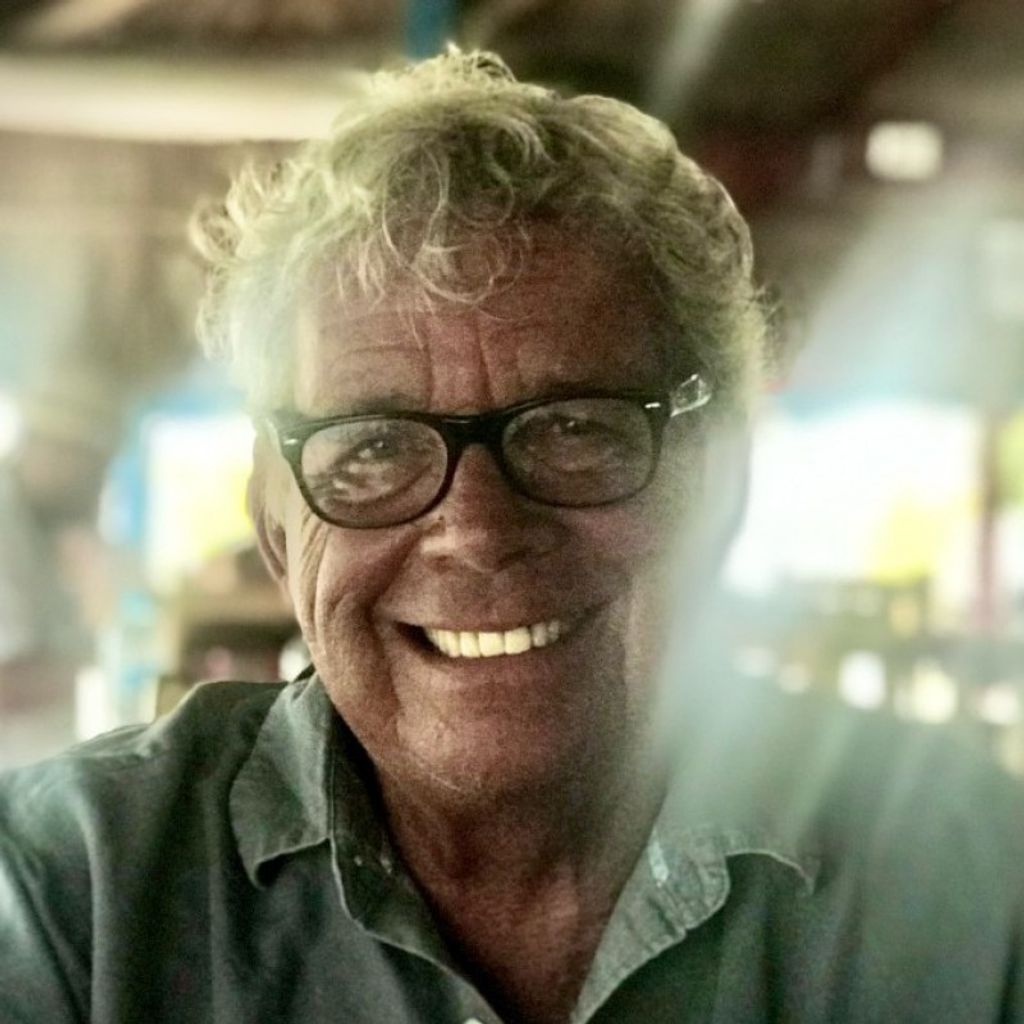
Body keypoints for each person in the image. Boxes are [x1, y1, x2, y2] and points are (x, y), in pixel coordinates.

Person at [2, 49, 1023, 1024]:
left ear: (721, 480)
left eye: (574, 430)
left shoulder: (974, 888)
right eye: (374, 447)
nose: (477, 530)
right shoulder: (68, 898)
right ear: (275, 522)